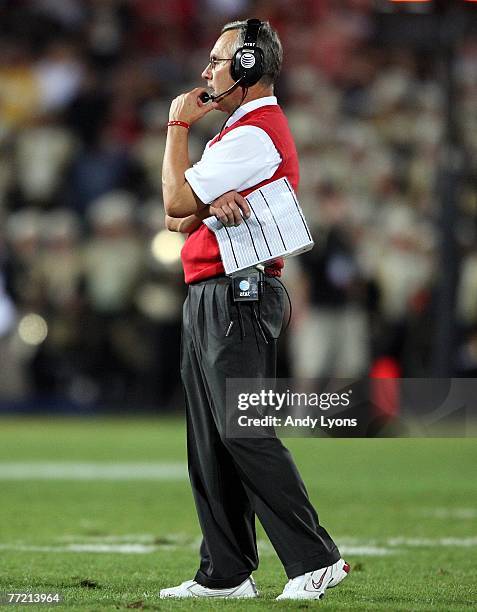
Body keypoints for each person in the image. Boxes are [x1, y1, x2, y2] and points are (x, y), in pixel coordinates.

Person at [160, 19, 349, 601]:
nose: (206, 71)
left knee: (244, 431)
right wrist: (207, 201)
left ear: (245, 67)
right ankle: (226, 573)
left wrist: (175, 125)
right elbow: (178, 218)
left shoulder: (253, 132)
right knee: (210, 441)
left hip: (237, 293)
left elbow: (171, 198)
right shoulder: (240, 133)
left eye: (217, 60)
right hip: (213, 292)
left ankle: (316, 560)